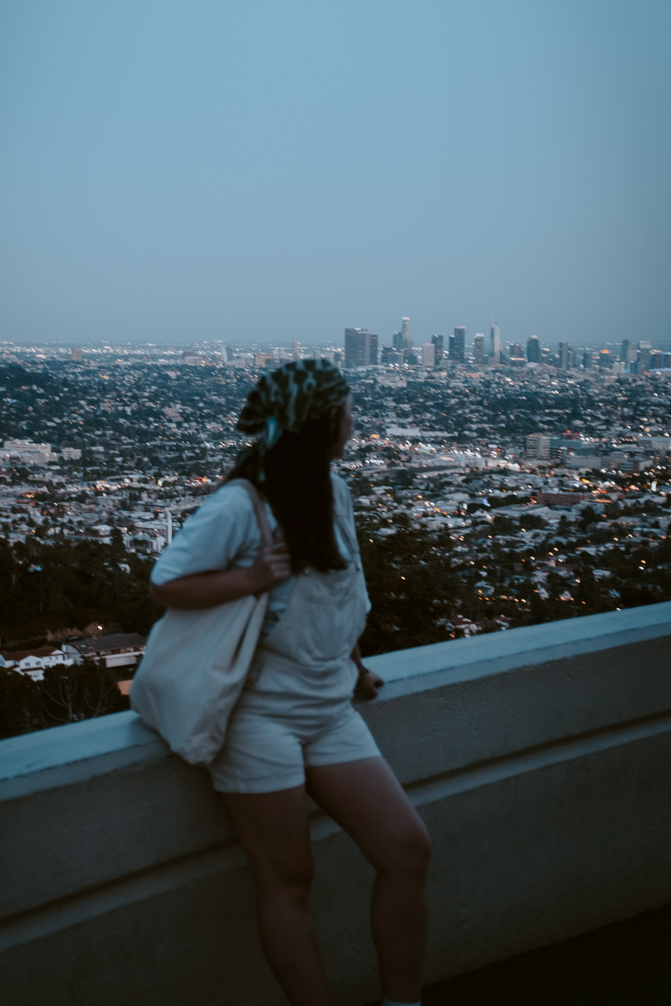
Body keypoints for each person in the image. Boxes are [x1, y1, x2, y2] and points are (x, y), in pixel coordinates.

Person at [149, 360, 430, 1006]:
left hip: (330, 705)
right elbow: (165, 582)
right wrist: (248, 578)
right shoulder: (240, 504)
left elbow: (341, 588)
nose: (355, 424)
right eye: (348, 412)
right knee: (289, 880)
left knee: (407, 849)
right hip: (256, 717)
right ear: (324, 422)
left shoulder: (335, 491)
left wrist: (352, 663)